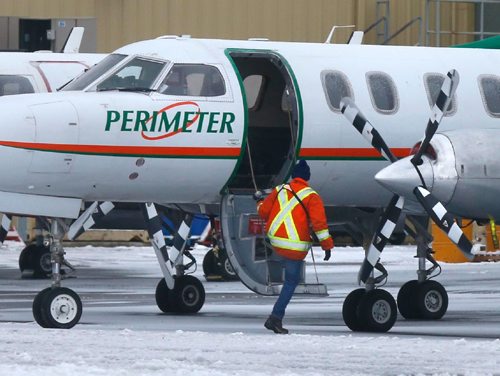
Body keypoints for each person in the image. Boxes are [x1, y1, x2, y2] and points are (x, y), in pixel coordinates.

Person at [255, 160, 334, 334]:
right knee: (291, 281)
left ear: (293, 176)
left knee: (287, 275)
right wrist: (327, 246)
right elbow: (319, 225)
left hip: (275, 241)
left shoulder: (280, 190)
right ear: (307, 176)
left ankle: (275, 317)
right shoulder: (312, 196)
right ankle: (275, 318)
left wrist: (259, 202)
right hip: (294, 247)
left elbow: (263, 212)